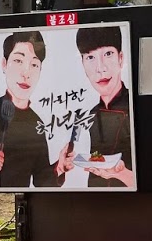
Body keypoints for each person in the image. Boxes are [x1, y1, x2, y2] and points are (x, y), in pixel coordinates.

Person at [57, 26, 134, 188]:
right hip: (94, 198)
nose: (100, 68)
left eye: (108, 54)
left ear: (121, 58)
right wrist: (62, 165)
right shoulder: (88, 115)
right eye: (90, 57)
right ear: (83, 64)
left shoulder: (135, 108)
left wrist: (121, 174)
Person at [0, 31, 63, 191]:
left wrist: (60, 168)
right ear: (4, 64)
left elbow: (42, 179)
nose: (26, 73)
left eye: (34, 65)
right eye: (18, 60)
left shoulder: (36, 123)